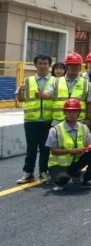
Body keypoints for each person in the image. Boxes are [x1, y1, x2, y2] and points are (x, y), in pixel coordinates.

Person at [46, 98, 91, 191]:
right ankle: (57, 176)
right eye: (68, 111)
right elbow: (53, 150)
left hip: (75, 163)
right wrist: (70, 151)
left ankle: (86, 181)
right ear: (64, 112)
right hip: (59, 165)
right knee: (63, 179)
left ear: (79, 113)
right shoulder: (55, 130)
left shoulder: (84, 128)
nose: (71, 114)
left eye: (74, 111)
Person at [15, 54, 55, 184]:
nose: (43, 66)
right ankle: (29, 172)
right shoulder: (27, 81)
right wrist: (20, 92)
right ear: (35, 65)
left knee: (45, 147)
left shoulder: (55, 81)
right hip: (31, 120)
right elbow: (21, 99)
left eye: (45, 63)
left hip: (48, 119)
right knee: (31, 147)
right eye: (40, 63)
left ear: (49, 65)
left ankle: (44, 172)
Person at [42, 52, 91, 127]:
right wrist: (42, 95)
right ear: (67, 66)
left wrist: (88, 119)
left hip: (79, 122)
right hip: (58, 122)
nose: (74, 68)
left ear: (80, 67)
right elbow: (48, 95)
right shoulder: (56, 81)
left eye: (76, 65)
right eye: (71, 65)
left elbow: (90, 103)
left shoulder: (86, 83)